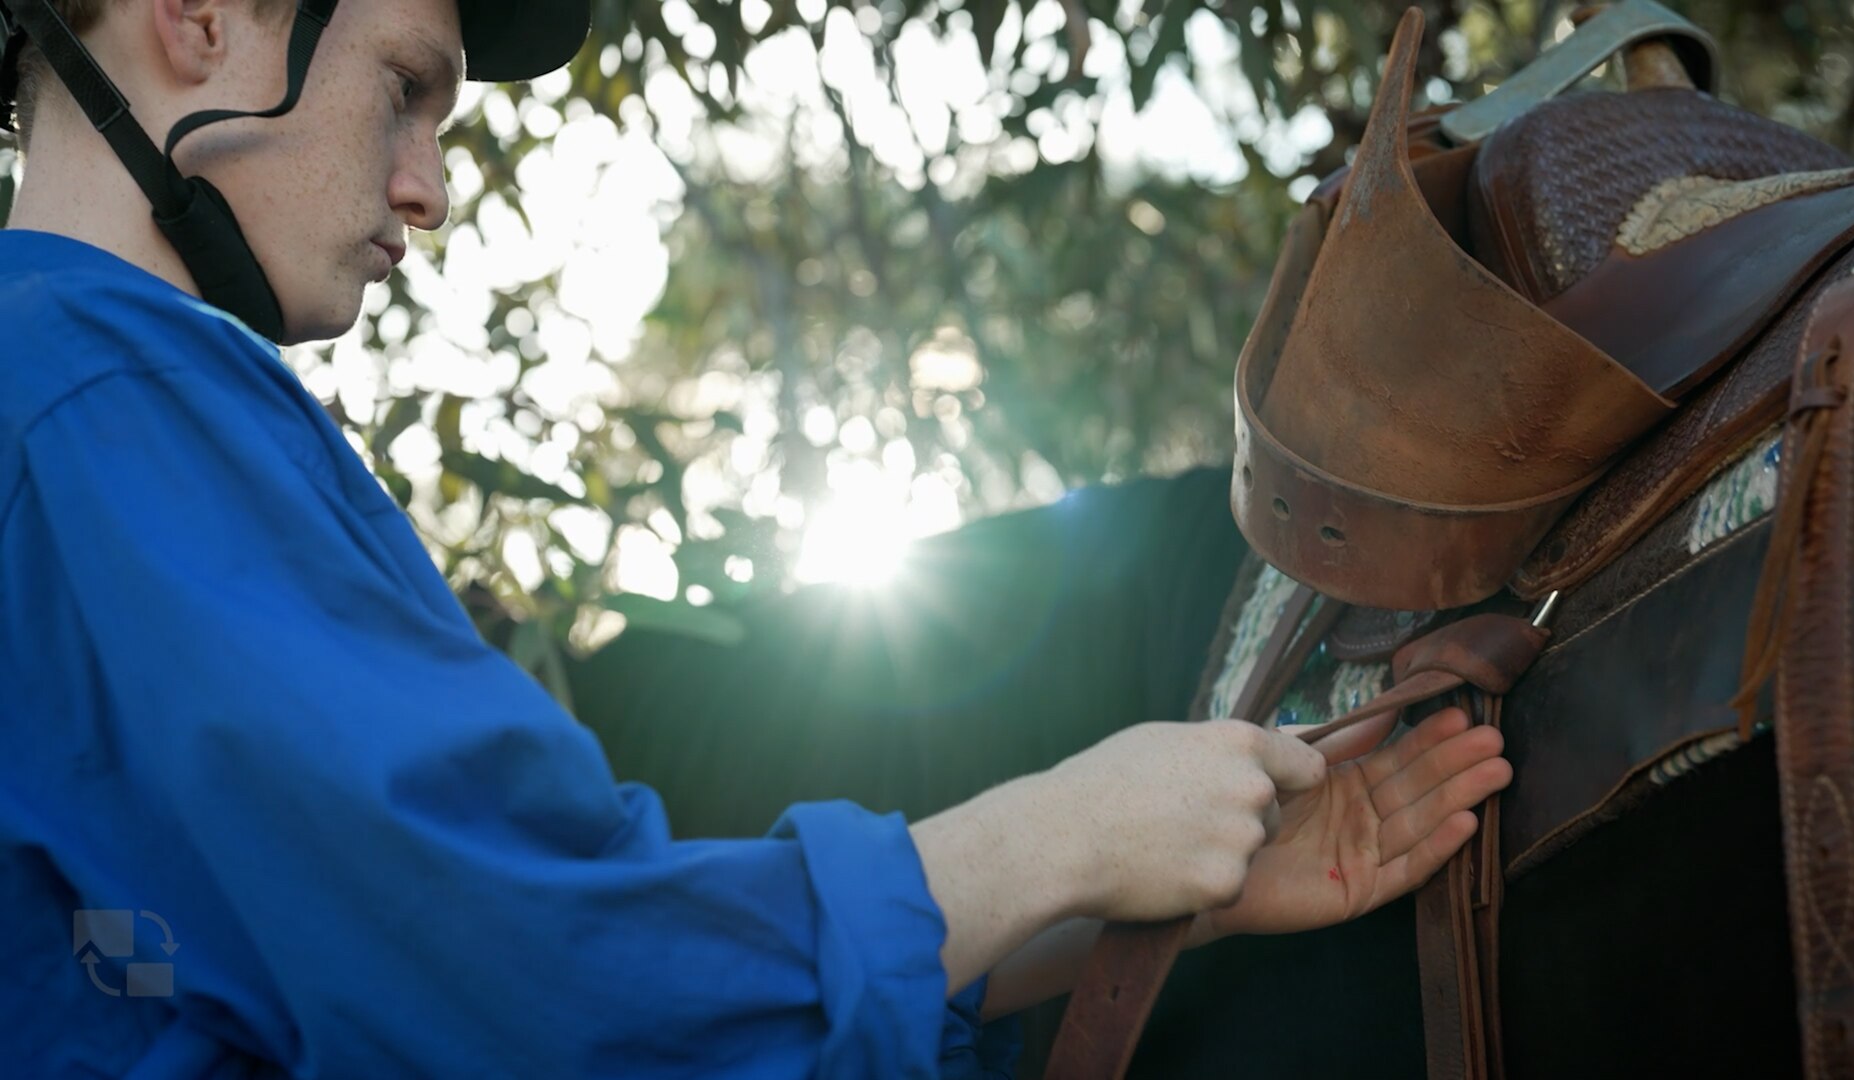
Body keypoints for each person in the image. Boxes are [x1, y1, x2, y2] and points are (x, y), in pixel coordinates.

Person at [0, 0, 1514, 1075]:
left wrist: (1121, 908)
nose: (428, 186)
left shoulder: (66, 399)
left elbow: (292, 981)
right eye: (405, 85)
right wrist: (1048, 833)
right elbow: (523, 982)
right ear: (197, 14)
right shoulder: (112, 395)